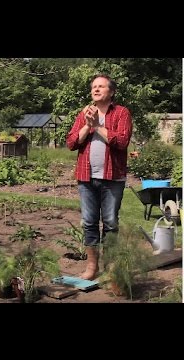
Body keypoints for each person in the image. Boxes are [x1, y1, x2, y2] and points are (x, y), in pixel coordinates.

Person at [66, 74, 133, 280]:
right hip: (86, 177)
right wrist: (87, 125)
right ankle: (92, 268)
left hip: (112, 178)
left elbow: (121, 142)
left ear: (111, 92)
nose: (95, 89)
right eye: (94, 86)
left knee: (111, 222)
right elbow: (71, 143)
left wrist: (96, 125)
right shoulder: (84, 113)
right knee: (89, 222)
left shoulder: (121, 112)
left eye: (101, 86)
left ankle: (110, 267)